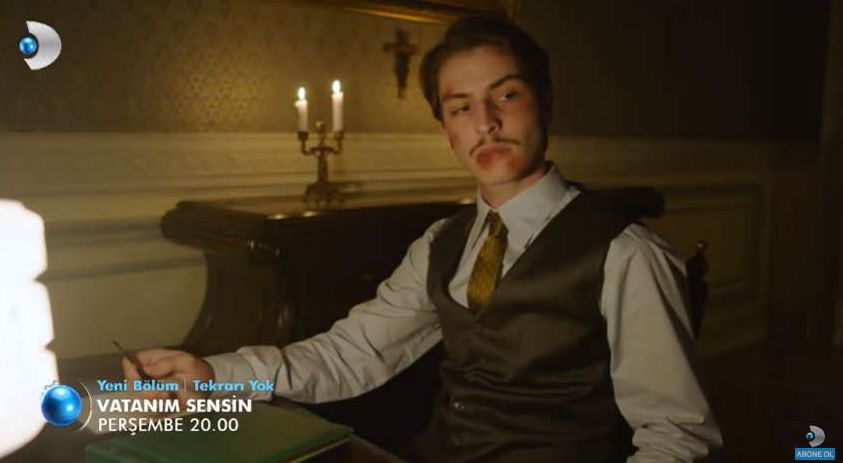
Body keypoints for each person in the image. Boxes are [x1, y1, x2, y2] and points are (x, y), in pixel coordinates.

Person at [124, 16, 722, 462]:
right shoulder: (442, 243)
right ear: (446, 129)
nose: (485, 123)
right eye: (461, 107)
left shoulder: (627, 252)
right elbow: (349, 355)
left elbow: (677, 436)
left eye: (506, 95)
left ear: (544, 102)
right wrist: (214, 376)